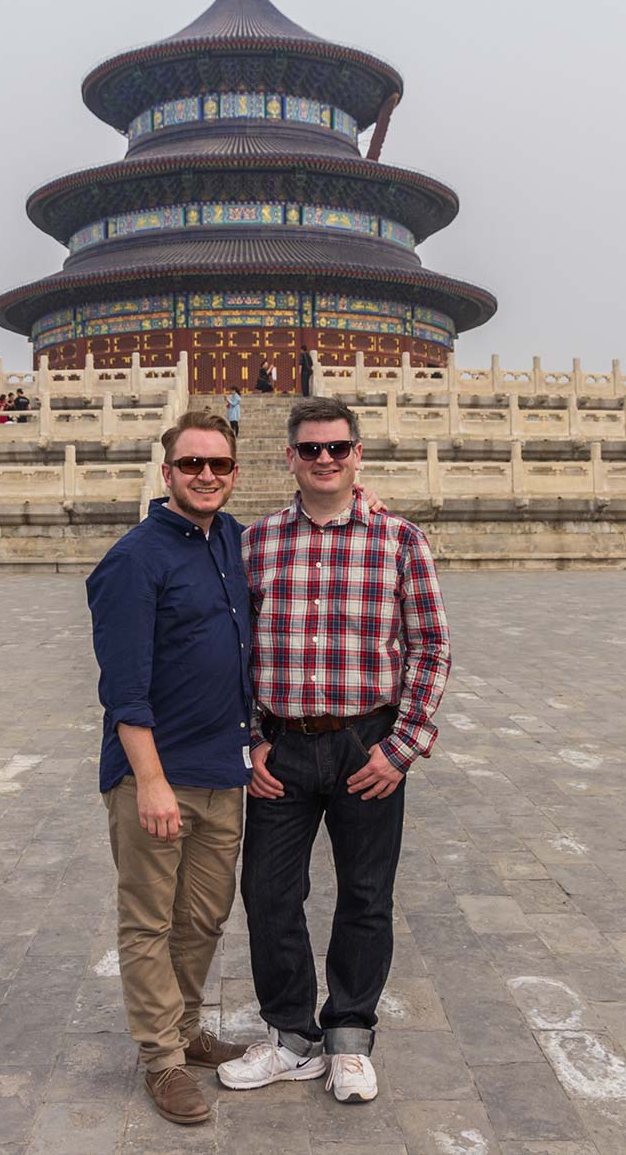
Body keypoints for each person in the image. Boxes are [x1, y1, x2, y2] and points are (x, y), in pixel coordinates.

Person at [219, 397, 451, 1105]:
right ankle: (291, 1035)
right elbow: (230, 652)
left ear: (359, 455)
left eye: (338, 448)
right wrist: (249, 740)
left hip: (366, 744)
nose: (325, 459)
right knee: (267, 891)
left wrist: (404, 744)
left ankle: (348, 1033)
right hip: (282, 747)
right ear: (287, 457)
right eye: (311, 448)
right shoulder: (254, 543)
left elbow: (431, 645)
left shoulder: (399, 539)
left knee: (366, 895)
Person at [86, 410, 253, 1126]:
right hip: (156, 774)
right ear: (167, 473)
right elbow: (123, 685)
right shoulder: (136, 557)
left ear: (234, 471)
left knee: (206, 916)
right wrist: (149, 778)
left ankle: (186, 1023)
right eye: (192, 465)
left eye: (218, 464)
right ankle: (161, 1058)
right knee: (149, 920)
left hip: (226, 770)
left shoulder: (238, 543)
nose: (206, 475)